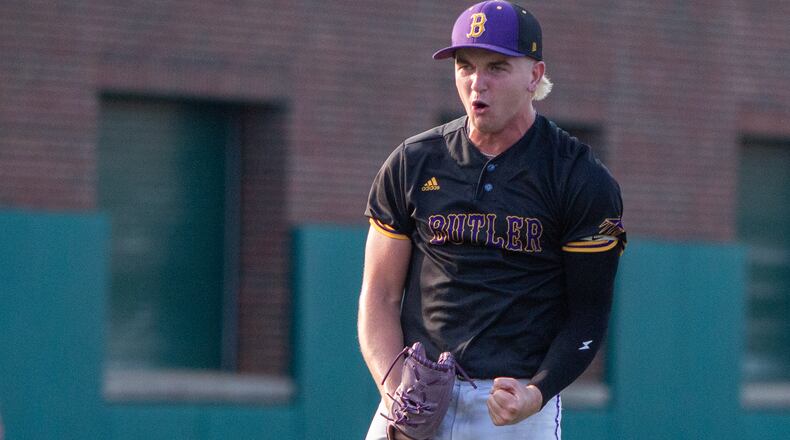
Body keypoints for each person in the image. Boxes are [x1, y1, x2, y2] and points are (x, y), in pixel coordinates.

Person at [358, 1, 626, 438]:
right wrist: (395, 393)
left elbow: (588, 314)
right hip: (416, 391)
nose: (476, 82)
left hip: (512, 404)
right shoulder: (413, 161)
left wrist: (536, 393)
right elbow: (379, 296)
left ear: (535, 76)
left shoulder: (579, 176)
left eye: (496, 67)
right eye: (465, 66)